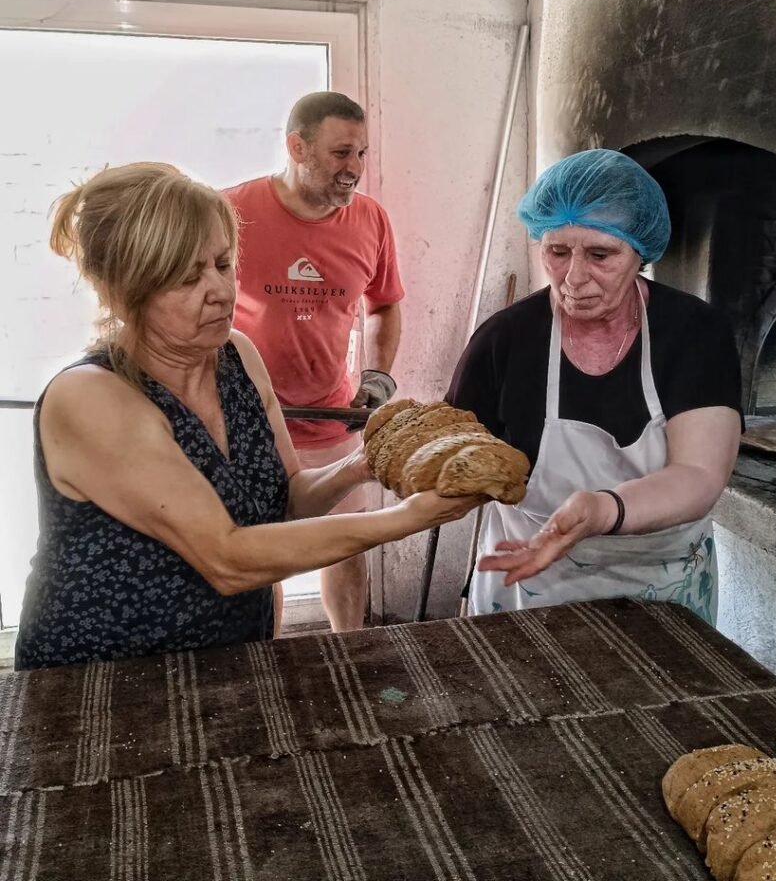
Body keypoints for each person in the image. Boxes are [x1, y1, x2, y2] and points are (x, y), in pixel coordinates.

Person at [14, 163, 478, 671]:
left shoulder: (235, 355)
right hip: (106, 677)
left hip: (229, 658)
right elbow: (228, 558)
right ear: (121, 294)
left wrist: (365, 463)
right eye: (187, 277)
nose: (220, 290)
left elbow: (288, 503)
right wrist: (405, 519)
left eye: (222, 264)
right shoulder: (93, 398)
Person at [446, 149, 743, 624]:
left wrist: (604, 510)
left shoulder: (693, 332)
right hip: (531, 587)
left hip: (664, 592)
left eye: (601, 255)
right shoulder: (504, 340)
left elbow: (700, 474)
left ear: (639, 252)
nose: (574, 277)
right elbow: (456, 462)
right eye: (557, 252)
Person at [225, 92, 402, 632]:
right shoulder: (230, 212)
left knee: (347, 544)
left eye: (362, 155)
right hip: (251, 419)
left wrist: (375, 377)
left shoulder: (370, 219)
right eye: (341, 153)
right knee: (264, 552)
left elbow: (385, 304)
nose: (354, 169)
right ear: (296, 146)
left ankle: (350, 648)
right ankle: (267, 658)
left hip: (333, 418)